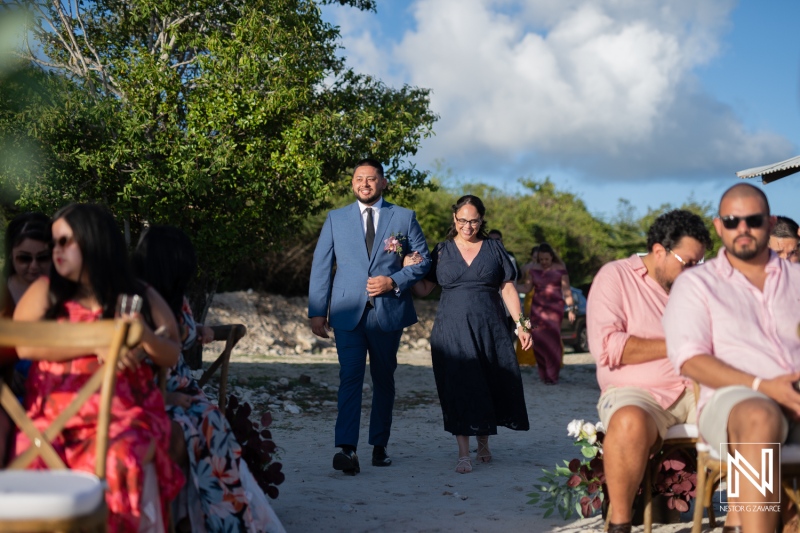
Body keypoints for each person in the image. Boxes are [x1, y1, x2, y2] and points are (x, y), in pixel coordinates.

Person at [13, 203, 185, 532]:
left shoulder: (138, 293)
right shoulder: (46, 292)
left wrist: (144, 336)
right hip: (52, 416)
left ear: (94, 242)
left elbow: (171, 352)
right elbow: (24, 344)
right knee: (30, 453)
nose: (55, 250)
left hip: (121, 413)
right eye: (54, 242)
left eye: (64, 242)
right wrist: (95, 343)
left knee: (122, 455)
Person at [664, 183, 800, 532]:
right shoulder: (696, 284)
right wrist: (763, 385)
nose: (743, 228)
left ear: (769, 223)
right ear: (718, 225)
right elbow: (690, 360)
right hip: (735, 400)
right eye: (732, 219)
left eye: (752, 220)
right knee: (759, 414)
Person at [132, 225, 285, 533]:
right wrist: (161, 397)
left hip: (182, 386)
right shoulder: (136, 301)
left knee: (211, 421)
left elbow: (183, 330)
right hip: (149, 390)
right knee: (196, 426)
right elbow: (132, 359)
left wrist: (199, 329)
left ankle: (225, 518)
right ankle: (207, 518)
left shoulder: (174, 297)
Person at [586, 210, 711, 533]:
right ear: (659, 251)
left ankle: (754, 520)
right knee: (628, 422)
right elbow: (608, 347)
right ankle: (620, 524)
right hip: (641, 393)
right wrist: (678, 344)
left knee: (755, 415)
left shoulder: (699, 284)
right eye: (688, 262)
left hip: (703, 387)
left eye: (701, 263)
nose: (696, 270)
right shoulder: (614, 277)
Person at [308, 158, 431, 475]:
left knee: (383, 380)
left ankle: (380, 446)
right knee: (349, 378)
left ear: (383, 182)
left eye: (372, 178)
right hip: (347, 313)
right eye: (359, 178)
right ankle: (347, 449)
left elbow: (423, 261)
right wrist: (317, 311)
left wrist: (394, 281)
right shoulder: (336, 219)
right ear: (352, 184)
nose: (365, 183)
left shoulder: (403, 217)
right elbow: (322, 267)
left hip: (388, 313)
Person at [405, 195, 531, 473]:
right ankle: (463, 452)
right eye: (462, 220)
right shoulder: (441, 251)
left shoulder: (494, 248)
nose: (468, 226)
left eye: (474, 221)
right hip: (451, 330)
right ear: (454, 219)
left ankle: (483, 441)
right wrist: (407, 269)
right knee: (457, 387)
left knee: (486, 383)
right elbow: (424, 289)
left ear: (482, 220)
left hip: (490, 327)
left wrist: (521, 323)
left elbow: (507, 288)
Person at [517, 242, 575, 384]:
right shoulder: (533, 270)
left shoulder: (560, 269)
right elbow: (526, 288)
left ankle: (553, 374)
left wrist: (572, 308)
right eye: (541, 259)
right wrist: (509, 285)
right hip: (537, 309)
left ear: (552, 257)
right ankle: (544, 373)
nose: (543, 262)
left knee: (553, 341)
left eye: (546, 259)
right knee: (538, 341)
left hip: (555, 310)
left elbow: (567, 292)